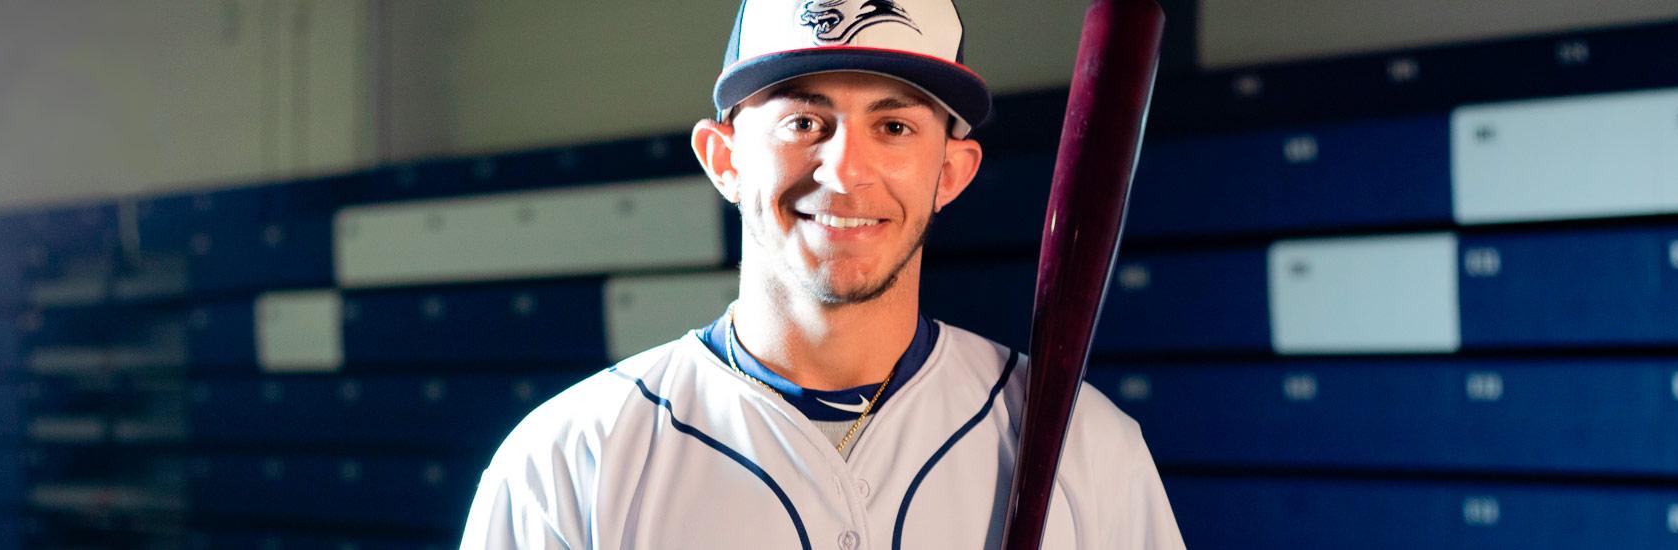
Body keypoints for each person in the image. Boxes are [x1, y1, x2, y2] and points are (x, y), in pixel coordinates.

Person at [462, 1, 1184, 548]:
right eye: (803, 123)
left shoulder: (1087, 448)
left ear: (951, 173)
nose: (845, 171)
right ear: (724, 159)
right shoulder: (571, 458)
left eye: (894, 126)